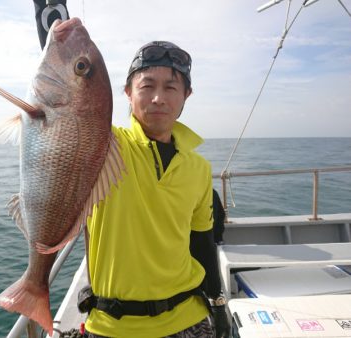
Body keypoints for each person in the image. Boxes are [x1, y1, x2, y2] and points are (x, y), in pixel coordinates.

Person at [32, 4, 231, 338]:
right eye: (146, 86)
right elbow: (67, 109)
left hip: (189, 320)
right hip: (112, 327)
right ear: (127, 93)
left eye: (171, 88)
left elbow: (203, 243)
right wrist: (57, 36)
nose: (157, 98)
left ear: (186, 96)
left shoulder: (198, 166)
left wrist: (219, 302)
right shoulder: (103, 146)